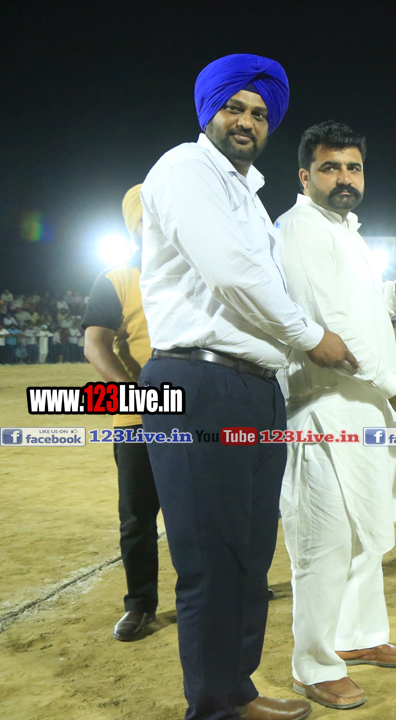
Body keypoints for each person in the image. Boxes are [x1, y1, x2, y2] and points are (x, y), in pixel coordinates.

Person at [138, 54, 357, 720]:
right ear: (209, 111)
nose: (247, 120)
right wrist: (311, 336)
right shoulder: (185, 168)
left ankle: (237, 690)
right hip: (197, 382)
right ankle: (212, 706)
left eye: (260, 113)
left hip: (254, 387)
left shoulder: (247, 197)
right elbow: (235, 275)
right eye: (234, 107)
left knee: (249, 555)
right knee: (211, 558)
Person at [276, 121, 396, 711]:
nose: (344, 178)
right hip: (323, 408)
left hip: (364, 407)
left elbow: (361, 304)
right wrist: (394, 386)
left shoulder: (346, 232)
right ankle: (313, 664)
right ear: (305, 176)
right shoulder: (299, 230)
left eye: (353, 167)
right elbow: (329, 323)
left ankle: (359, 636)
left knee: (366, 530)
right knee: (324, 539)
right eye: (331, 167)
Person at [82, 184, 161, 643]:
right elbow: (95, 343)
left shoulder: (192, 274)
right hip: (137, 420)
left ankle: (214, 592)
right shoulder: (115, 279)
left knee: (201, 513)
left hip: (193, 417)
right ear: (135, 228)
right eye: (150, 220)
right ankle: (141, 604)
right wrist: (132, 394)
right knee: (137, 518)